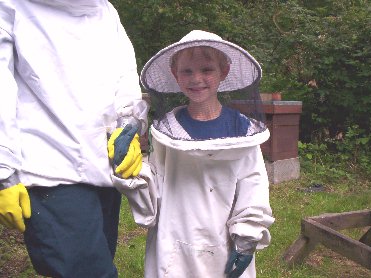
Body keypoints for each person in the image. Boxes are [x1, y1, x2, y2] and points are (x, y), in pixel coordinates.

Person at [0, 1, 149, 277]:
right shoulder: (10, 7)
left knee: (98, 262)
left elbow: (124, 76)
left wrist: (128, 128)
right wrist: (3, 172)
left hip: (103, 168)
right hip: (49, 172)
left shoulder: (104, 10)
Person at [128, 29, 275, 278]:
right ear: (175, 75)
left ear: (223, 72)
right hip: (173, 247)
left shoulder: (242, 131)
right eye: (187, 71)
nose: (197, 78)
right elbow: (156, 189)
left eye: (206, 69)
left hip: (224, 246)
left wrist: (247, 236)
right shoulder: (167, 131)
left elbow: (253, 183)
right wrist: (133, 174)